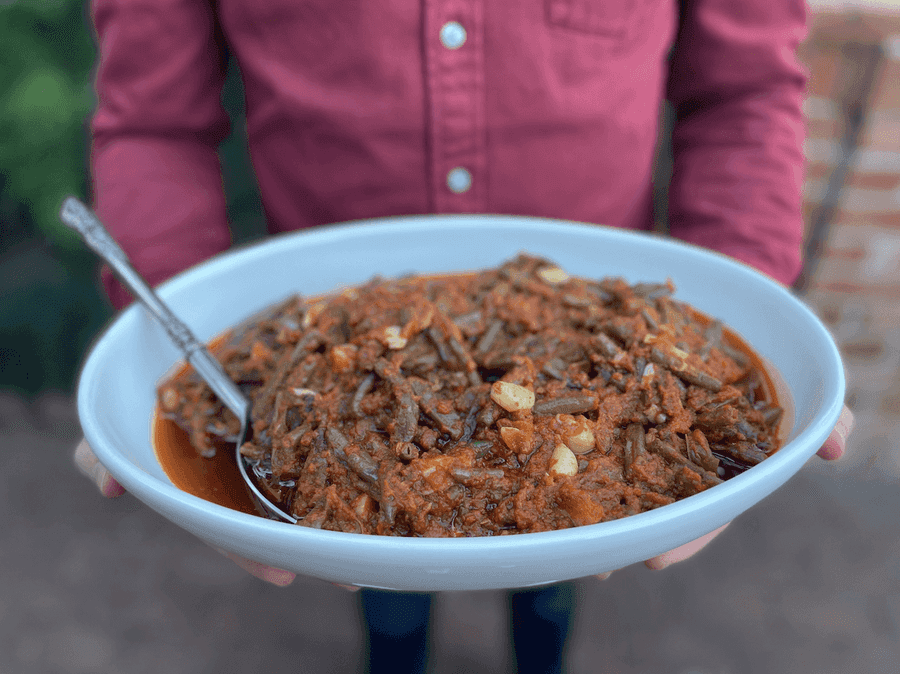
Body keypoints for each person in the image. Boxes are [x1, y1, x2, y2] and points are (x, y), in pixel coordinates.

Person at [76, 1, 854, 672]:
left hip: (610, 332)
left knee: (558, 568)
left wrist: (749, 306)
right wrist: (159, 342)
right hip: (307, 349)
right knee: (379, 585)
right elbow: (152, 120)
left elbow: (744, 89)